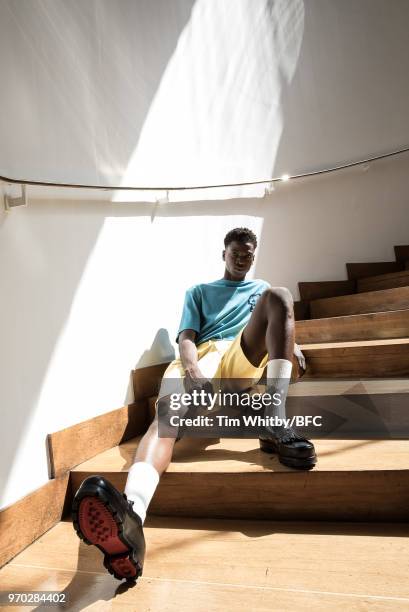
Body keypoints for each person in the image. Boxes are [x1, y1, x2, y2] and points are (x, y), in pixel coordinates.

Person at [72, 227, 317, 582]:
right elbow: (186, 338)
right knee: (166, 417)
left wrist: (292, 346)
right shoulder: (199, 292)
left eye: (248, 253)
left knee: (278, 295)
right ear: (224, 253)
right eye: (236, 252)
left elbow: (275, 327)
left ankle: (274, 418)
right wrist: (193, 369)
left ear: (254, 254)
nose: (242, 258)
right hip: (200, 356)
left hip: (237, 356)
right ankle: (132, 516)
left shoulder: (259, 289)